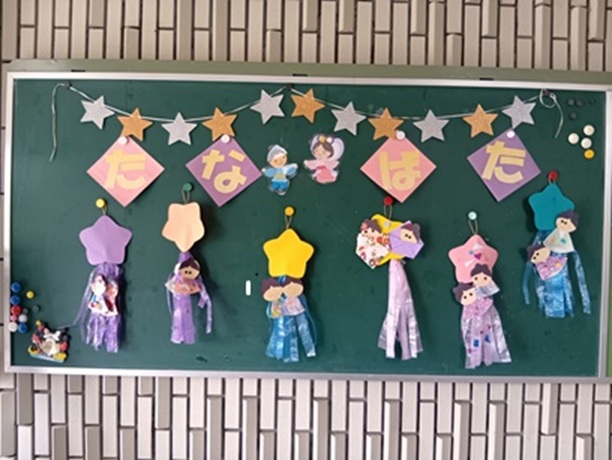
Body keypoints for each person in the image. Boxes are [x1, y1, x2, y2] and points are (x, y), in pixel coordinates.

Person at [452, 282, 511, 369]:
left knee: (488, 335)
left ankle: (487, 355)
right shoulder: (468, 311)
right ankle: (477, 357)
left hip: (485, 324)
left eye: (470, 294)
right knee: (476, 338)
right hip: (476, 329)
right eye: (465, 297)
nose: (469, 297)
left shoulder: (484, 301)